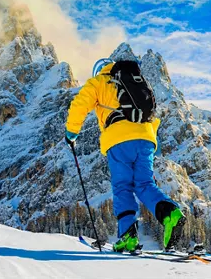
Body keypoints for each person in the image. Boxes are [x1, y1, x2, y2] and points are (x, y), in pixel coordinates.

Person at [64, 57, 184, 252]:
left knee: (122, 187)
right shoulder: (134, 80)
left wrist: (71, 133)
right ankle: (170, 213)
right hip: (146, 138)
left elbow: (80, 104)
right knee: (145, 184)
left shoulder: (99, 81)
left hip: (119, 139)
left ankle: (128, 236)